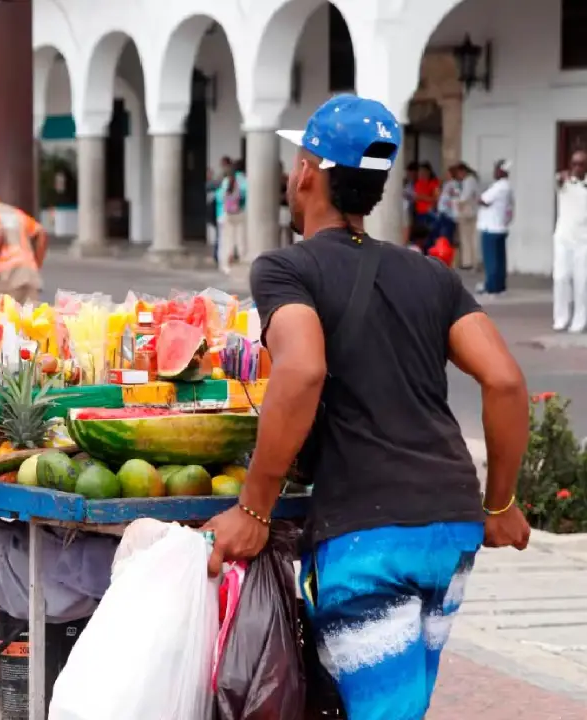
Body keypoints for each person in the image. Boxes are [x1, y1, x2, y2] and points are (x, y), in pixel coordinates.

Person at [202, 94, 531, 720]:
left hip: (370, 538)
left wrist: (254, 507)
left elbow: (301, 370)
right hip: (452, 529)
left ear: (307, 172)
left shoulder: (286, 269)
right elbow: (507, 382)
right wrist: (501, 504)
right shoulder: (431, 275)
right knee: (398, 706)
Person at [553, 149, 587, 333]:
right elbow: (558, 181)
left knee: (581, 282)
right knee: (560, 278)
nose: (576, 167)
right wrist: (562, 177)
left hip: (584, 240)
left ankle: (579, 320)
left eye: (581, 164)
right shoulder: (564, 181)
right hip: (563, 238)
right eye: (574, 163)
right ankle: (560, 318)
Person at [476, 160, 514, 295]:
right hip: (501, 227)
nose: (494, 172)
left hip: (491, 227)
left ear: (501, 171)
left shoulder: (499, 187)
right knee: (499, 259)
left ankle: (491, 286)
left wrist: (478, 197)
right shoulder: (507, 187)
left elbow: (483, 200)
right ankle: (500, 286)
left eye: (496, 169)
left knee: (491, 260)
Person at [216, 159, 248, 273]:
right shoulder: (244, 180)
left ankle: (225, 265)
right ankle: (243, 261)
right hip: (240, 213)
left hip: (227, 214)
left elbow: (220, 197)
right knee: (241, 240)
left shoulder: (226, 181)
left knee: (227, 240)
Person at [455, 163, 481, 269]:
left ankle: (468, 262)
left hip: (467, 213)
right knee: (471, 238)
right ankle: (472, 262)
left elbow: (464, 197)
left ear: (463, 171)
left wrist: (457, 203)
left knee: (466, 238)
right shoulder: (473, 180)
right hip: (473, 212)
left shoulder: (468, 180)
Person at [412, 162, 441, 253]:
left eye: (423, 171)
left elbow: (436, 198)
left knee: (430, 236)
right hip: (419, 213)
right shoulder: (418, 183)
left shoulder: (434, 183)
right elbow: (415, 196)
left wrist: (423, 197)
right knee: (419, 237)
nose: (421, 174)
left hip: (429, 213)